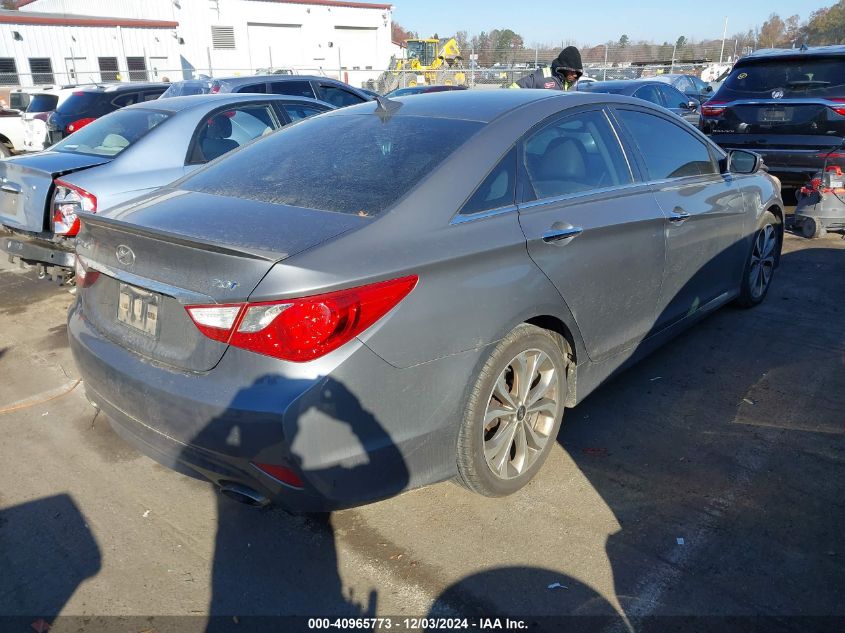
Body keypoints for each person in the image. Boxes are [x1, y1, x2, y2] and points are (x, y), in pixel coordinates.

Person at [509, 45, 583, 90]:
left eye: (577, 72)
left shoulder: (574, 84)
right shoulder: (542, 77)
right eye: (572, 71)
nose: (575, 75)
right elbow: (513, 90)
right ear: (563, 69)